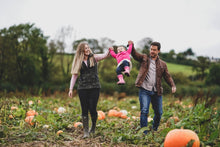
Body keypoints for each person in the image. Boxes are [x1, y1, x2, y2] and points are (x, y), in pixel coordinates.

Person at [128, 40, 176, 134]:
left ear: (159, 51)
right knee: (144, 110)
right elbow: (135, 55)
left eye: (154, 50)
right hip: (144, 90)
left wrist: (172, 85)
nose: (152, 51)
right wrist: (132, 46)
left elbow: (167, 76)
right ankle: (144, 132)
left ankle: (154, 129)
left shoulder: (163, 64)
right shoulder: (144, 58)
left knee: (159, 113)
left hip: (156, 91)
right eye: (151, 49)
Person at [68, 42, 109, 138]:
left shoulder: (94, 57)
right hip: (82, 88)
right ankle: (86, 131)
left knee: (93, 108)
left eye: (88, 48)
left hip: (95, 87)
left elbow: (105, 55)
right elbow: (74, 76)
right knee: (84, 109)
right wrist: (70, 89)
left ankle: (93, 128)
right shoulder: (78, 60)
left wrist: (110, 50)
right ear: (81, 50)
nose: (87, 49)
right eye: (85, 48)